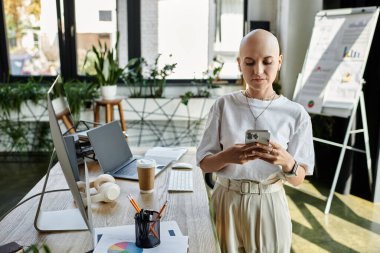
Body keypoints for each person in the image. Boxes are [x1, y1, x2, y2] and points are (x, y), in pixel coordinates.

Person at [196, 29, 314, 253]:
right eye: (249, 62)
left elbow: (299, 179)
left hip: (269, 201)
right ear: (239, 63)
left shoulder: (296, 114)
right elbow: (204, 163)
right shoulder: (223, 106)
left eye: (267, 62)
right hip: (225, 200)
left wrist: (287, 162)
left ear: (279, 62)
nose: (258, 71)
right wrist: (227, 156)